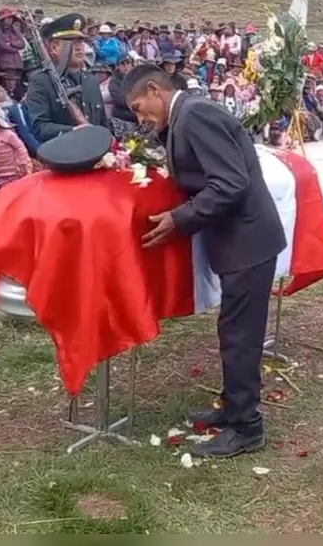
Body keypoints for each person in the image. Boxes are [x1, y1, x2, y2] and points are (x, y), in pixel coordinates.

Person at [122, 64, 285, 459]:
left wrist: (180, 218)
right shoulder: (183, 117)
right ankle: (233, 408)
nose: (139, 116)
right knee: (235, 331)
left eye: (138, 106)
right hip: (240, 240)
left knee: (240, 337)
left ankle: (247, 428)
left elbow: (230, 183)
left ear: (155, 89)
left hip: (248, 240)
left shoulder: (195, 114)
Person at [25, 13, 110, 142]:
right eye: (71, 42)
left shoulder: (91, 80)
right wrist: (72, 131)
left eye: (80, 41)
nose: (78, 47)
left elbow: (103, 122)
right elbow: (40, 128)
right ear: (54, 47)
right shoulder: (42, 81)